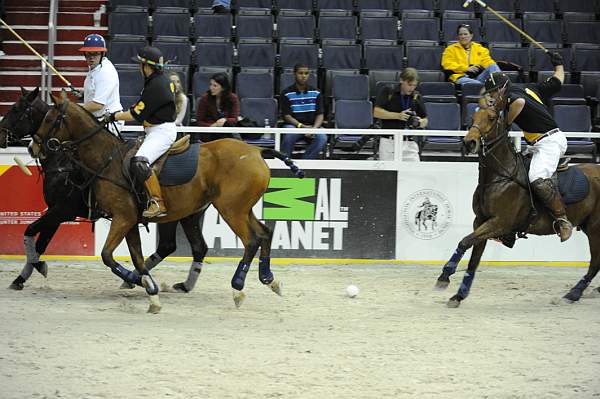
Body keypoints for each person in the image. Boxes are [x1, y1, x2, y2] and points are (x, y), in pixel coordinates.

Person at [483, 51, 572, 242]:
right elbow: (557, 81)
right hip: (537, 144)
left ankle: (562, 220)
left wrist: (506, 122)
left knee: (536, 178)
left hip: (550, 141)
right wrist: (559, 64)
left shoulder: (512, 97)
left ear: (502, 89)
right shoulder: (529, 88)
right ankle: (512, 225)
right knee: (515, 178)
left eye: (493, 93)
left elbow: (519, 103)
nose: (492, 97)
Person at [104, 46, 176, 218]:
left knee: (139, 162)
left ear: (147, 66)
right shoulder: (159, 81)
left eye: (141, 64)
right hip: (154, 129)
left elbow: (135, 115)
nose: (139, 68)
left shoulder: (156, 85)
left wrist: (112, 116)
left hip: (161, 131)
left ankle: (158, 203)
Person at [373, 67, 428, 161]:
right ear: (401, 80)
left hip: (409, 142)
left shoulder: (416, 96)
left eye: (414, 85)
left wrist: (419, 122)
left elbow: (426, 120)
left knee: (415, 172)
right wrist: (398, 116)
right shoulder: (388, 91)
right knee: (389, 172)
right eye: (409, 85)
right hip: (389, 141)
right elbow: (376, 112)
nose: (412, 88)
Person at [78, 33, 123, 135]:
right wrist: (84, 95)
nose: (91, 58)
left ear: (102, 54)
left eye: (96, 54)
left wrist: (76, 109)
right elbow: (97, 90)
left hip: (108, 122)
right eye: (88, 54)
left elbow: (98, 105)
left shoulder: (105, 72)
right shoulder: (95, 67)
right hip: (97, 119)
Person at [280, 64, 326, 159]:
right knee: (289, 135)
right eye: (300, 73)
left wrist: (313, 129)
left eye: (306, 73)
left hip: (313, 125)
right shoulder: (286, 93)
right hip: (294, 126)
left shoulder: (316, 92)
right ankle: (284, 162)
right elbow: (287, 116)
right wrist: (302, 126)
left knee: (322, 138)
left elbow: (320, 115)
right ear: (294, 74)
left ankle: (305, 163)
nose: (303, 76)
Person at [196, 72, 240, 142]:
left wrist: (225, 120)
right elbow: (199, 121)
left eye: (215, 86)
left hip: (226, 131)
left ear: (223, 87)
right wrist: (212, 125)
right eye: (210, 85)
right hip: (209, 133)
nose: (211, 88)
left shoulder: (233, 98)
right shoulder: (205, 98)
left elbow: (234, 119)